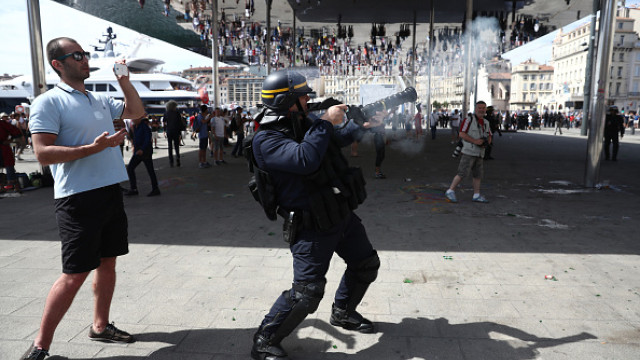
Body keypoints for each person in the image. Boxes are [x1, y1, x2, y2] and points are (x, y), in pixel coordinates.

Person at [23, 37, 144, 360]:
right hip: (77, 198)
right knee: (75, 273)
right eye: (76, 55)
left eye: (85, 54)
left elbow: (136, 111)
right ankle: (39, 347)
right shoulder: (48, 102)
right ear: (58, 64)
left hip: (109, 191)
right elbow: (42, 153)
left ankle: (100, 326)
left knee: (108, 262)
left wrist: (124, 82)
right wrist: (93, 148)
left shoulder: (98, 99)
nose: (85, 59)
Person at [248, 70, 382, 360]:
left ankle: (343, 312)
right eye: (303, 96)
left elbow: (333, 142)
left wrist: (363, 126)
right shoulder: (266, 139)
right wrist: (324, 122)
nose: (309, 99)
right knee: (306, 292)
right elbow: (305, 159)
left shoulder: (303, 122)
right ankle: (265, 339)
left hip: (338, 213)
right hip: (310, 225)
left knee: (366, 264)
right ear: (287, 101)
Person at [445, 101, 492, 204]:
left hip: (480, 152)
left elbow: (489, 135)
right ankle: (450, 190)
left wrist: (486, 143)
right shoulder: (468, 120)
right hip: (469, 152)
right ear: (475, 109)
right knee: (462, 173)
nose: (482, 110)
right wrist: (475, 141)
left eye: (483, 108)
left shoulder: (486, 122)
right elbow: (461, 134)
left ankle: (476, 195)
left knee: (478, 175)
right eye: (480, 108)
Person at [124, 116, 161, 196]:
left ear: (139, 118)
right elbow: (135, 138)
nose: (132, 119)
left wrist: (142, 149)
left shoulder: (144, 126)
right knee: (130, 168)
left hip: (145, 152)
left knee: (150, 170)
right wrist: (134, 147)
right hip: (138, 152)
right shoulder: (135, 126)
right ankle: (134, 189)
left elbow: (148, 139)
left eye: (134, 118)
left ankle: (155, 189)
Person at [1, 112, 24, 192]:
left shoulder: (2, 124)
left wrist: (10, 140)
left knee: (9, 166)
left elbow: (16, 131)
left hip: (4, 148)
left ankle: (12, 185)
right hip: (4, 147)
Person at [163, 100, 185, 167]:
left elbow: (164, 123)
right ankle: (178, 158)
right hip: (176, 131)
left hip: (169, 131)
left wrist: (164, 130)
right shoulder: (177, 113)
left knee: (170, 146)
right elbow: (179, 123)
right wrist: (180, 132)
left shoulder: (166, 113)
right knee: (176, 146)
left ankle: (171, 161)